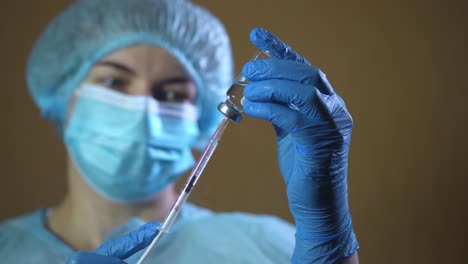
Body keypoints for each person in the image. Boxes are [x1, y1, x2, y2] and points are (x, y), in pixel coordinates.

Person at [0, 0, 359, 263]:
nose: (145, 110)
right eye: (114, 81)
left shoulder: (265, 247)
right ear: (65, 95)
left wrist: (326, 238)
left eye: (172, 93)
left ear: (200, 117)